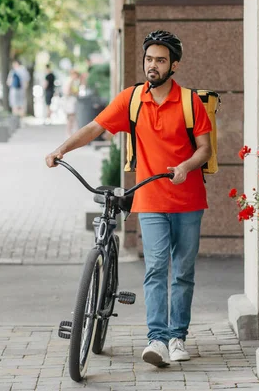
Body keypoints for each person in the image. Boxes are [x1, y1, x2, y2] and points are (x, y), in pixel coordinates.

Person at [45, 30, 212, 368]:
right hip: (149, 199)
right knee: (155, 269)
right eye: (149, 59)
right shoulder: (132, 99)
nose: (153, 65)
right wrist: (62, 148)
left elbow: (205, 149)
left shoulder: (190, 103)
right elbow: (94, 127)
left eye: (160, 60)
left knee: (182, 271)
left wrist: (185, 166)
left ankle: (178, 336)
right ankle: (157, 340)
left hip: (189, 200)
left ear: (174, 65)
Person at [62, 69, 80, 137]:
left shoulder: (70, 80)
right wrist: (75, 93)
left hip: (69, 101)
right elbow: (67, 92)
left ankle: (69, 132)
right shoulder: (70, 81)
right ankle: (69, 133)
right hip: (70, 101)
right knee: (71, 117)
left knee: (71, 118)